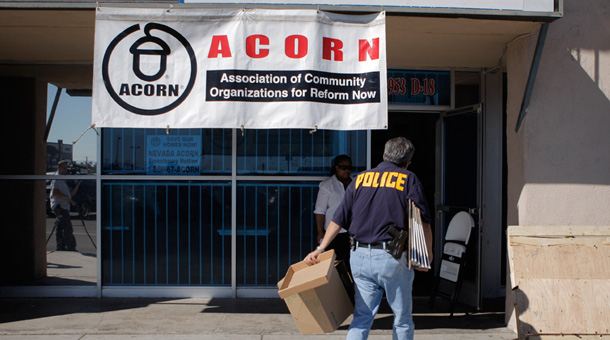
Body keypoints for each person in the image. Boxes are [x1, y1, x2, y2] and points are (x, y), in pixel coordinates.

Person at [304, 137, 433, 340]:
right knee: (402, 318)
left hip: (360, 256)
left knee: (362, 317)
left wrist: (320, 249)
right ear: (408, 161)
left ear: (383, 155)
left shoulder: (360, 179)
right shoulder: (408, 178)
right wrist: (426, 255)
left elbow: (338, 219)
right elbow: (423, 221)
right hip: (392, 257)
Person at [313, 155, 353, 269]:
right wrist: (320, 232)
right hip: (334, 232)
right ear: (336, 168)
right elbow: (320, 210)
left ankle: (351, 287)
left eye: (350, 167)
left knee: (353, 265)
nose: (347, 170)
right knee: (334, 265)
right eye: (343, 167)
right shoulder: (327, 185)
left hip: (353, 231)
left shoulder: (356, 183)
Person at [50, 160, 81, 251]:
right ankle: (70, 246)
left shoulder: (63, 179)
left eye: (66, 168)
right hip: (60, 206)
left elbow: (71, 193)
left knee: (60, 227)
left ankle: (60, 247)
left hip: (64, 206)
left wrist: (78, 183)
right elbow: (56, 193)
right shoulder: (57, 178)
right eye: (63, 168)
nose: (65, 170)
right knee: (67, 227)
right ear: (58, 167)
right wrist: (69, 200)